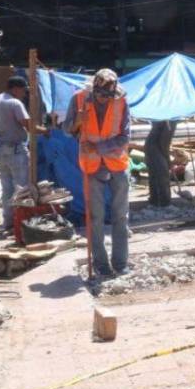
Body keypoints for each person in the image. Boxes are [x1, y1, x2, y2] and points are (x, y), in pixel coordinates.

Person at [65, 69, 131, 279]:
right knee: (95, 217)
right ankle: (101, 264)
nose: (105, 99)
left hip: (117, 164)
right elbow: (67, 129)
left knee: (120, 216)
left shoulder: (121, 101)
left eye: (108, 96)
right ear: (94, 89)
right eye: (101, 95)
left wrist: (99, 148)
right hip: (92, 166)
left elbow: (124, 136)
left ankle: (120, 263)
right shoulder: (78, 99)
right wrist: (78, 120)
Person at [0, 76, 45, 233]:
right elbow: (28, 125)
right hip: (15, 150)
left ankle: (9, 222)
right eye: (23, 90)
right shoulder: (14, 103)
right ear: (15, 88)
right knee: (22, 188)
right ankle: (23, 223)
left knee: (7, 188)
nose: (24, 94)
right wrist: (46, 131)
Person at [144, 120, 177, 207]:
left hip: (151, 145)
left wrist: (167, 159)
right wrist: (167, 160)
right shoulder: (171, 121)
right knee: (162, 173)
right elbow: (164, 143)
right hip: (154, 146)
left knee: (155, 174)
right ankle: (164, 203)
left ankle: (155, 201)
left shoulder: (170, 119)